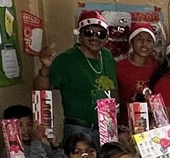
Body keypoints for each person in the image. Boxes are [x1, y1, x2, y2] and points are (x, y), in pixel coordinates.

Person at [35, 9, 120, 138]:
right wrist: (45, 68)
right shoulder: (66, 59)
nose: (94, 37)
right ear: (79, 36)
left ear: (106, 38)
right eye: (88, 32)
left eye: (100, 34)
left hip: (108, 126)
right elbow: (41, 90)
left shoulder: (107, 56)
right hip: (80, 129)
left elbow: (113, 89)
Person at [115, 21, 162, 111]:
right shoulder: (119, 68)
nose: (144, 44)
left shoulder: (156, 66)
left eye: (149, 40)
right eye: (139, 39)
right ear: (131, 43)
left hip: (152, 118)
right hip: (126, 118)